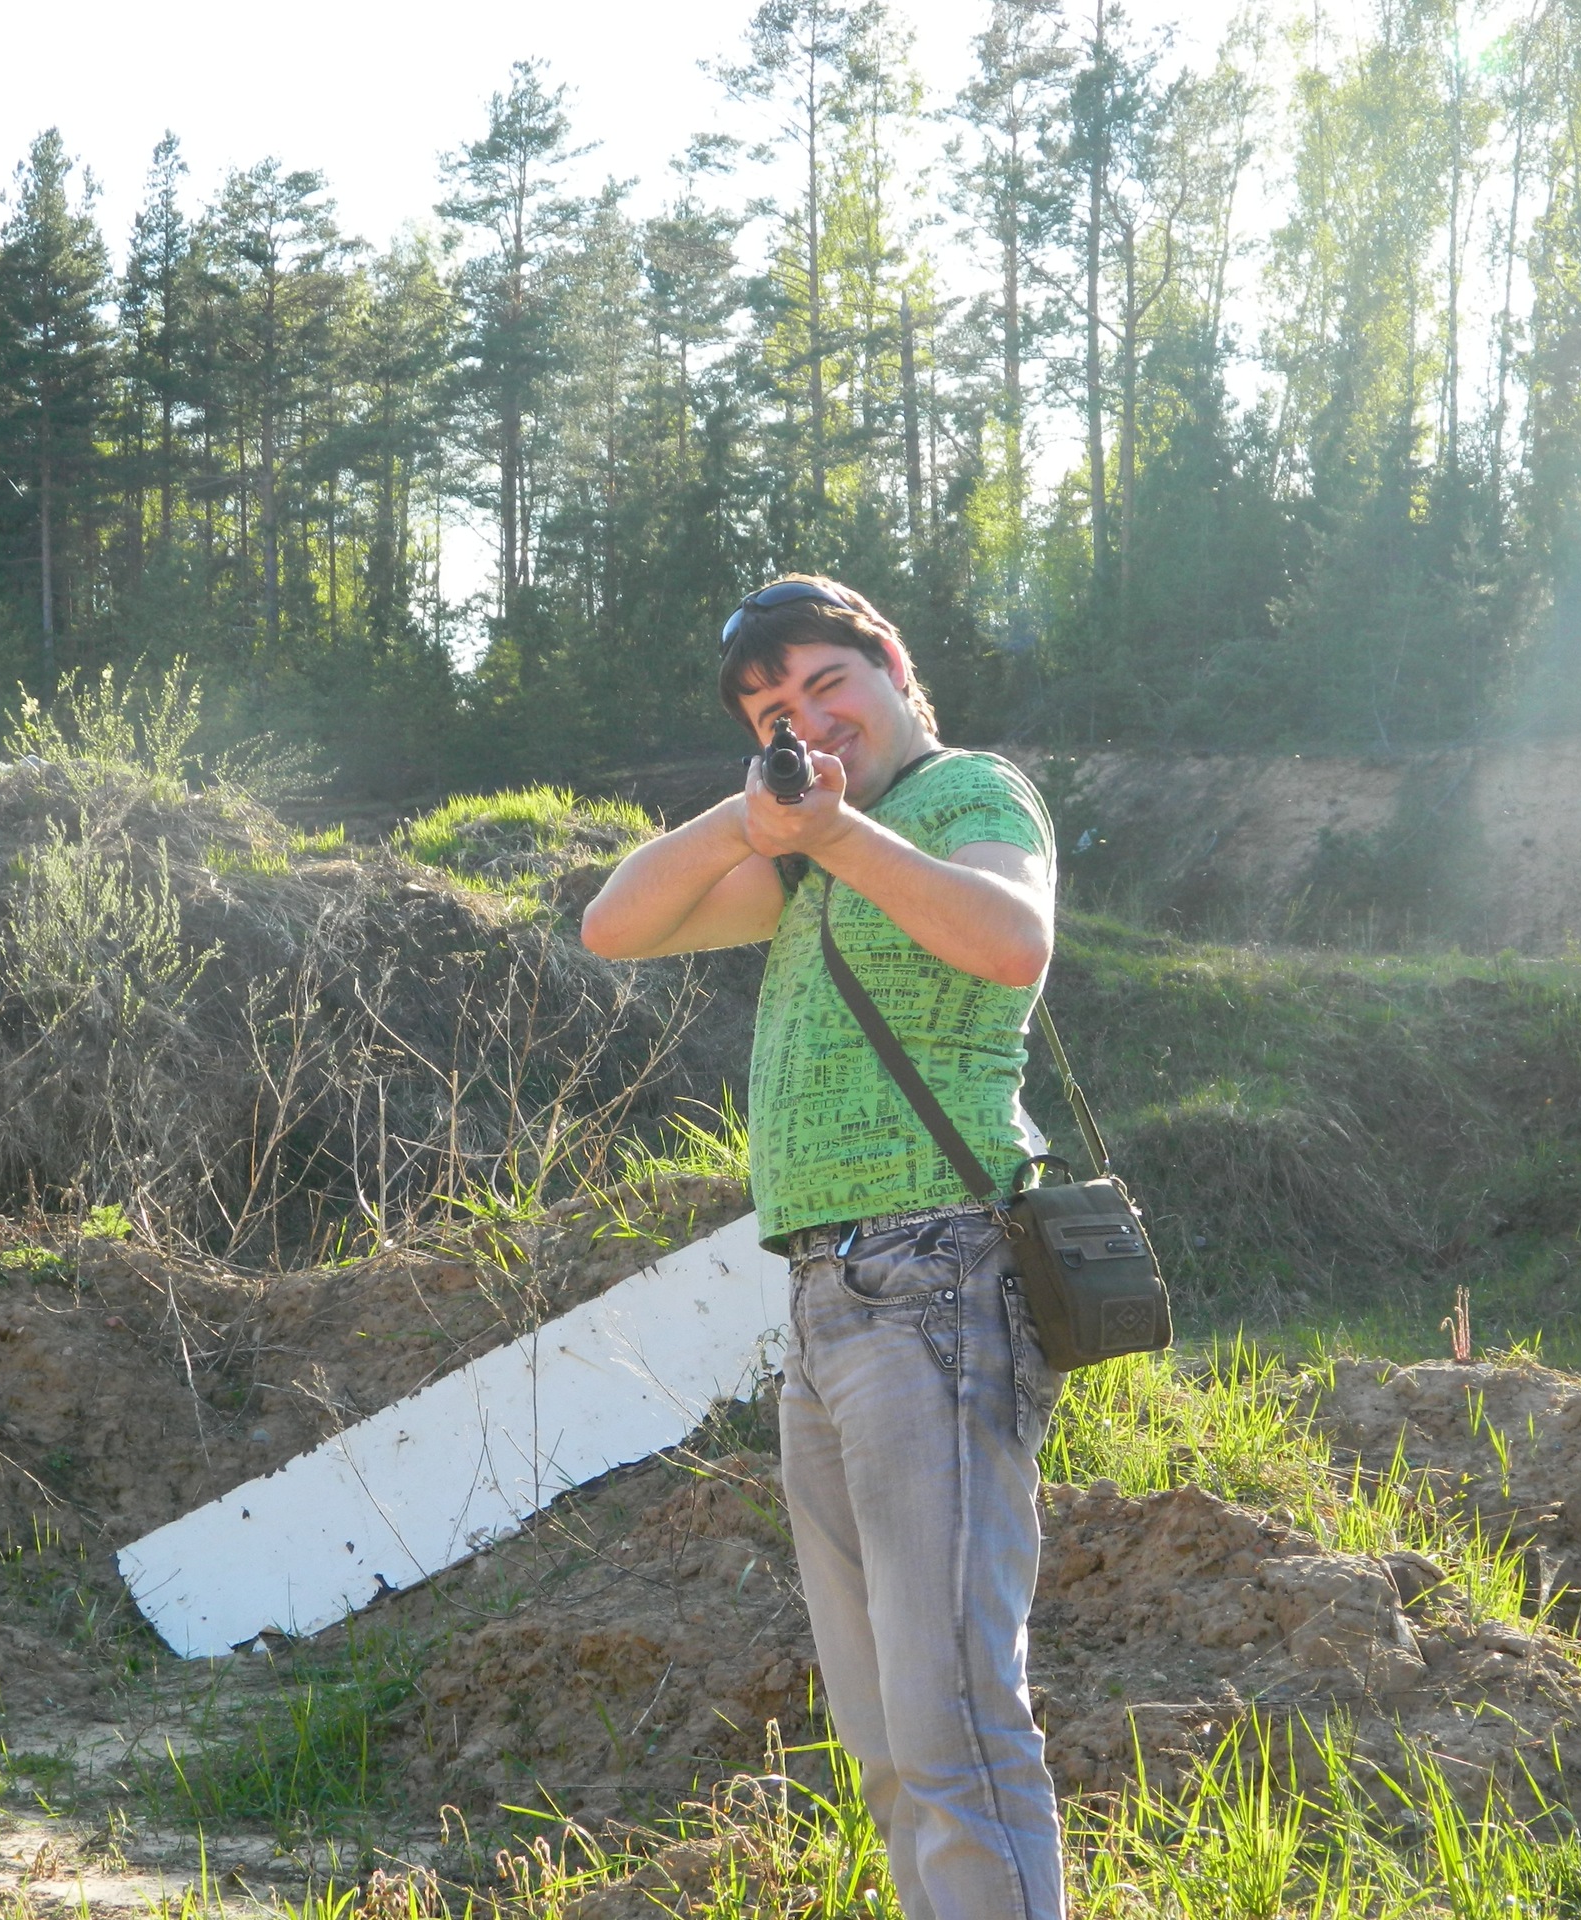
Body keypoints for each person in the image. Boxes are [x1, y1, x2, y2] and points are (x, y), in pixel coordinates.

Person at [580, 576, 1066, 1920]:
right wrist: (759, 818)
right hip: (826, 1298)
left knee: (953, 1722)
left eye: (825, 683)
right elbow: (614, 924)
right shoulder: (804, 854)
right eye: (772, 712)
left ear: (892, 663)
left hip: (939, 1276)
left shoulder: (969, 794)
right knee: (890, 1741)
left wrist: (836, 832)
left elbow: (1009, 941)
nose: (809, 720)